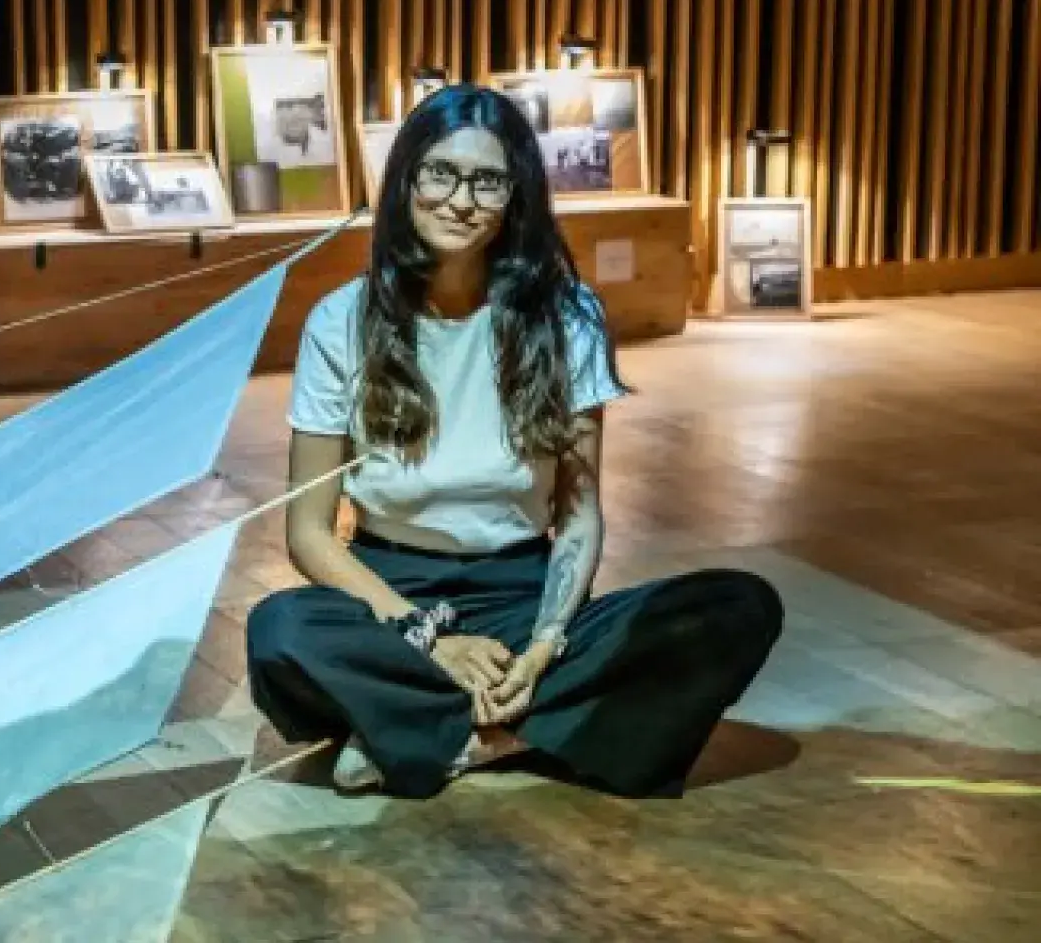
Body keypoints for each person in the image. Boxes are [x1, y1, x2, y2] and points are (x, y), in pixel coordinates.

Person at [245, 85, 784, 800]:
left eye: (487, 180)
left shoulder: (568, 319)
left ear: (515, 196)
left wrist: (544, 645)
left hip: (518, 595)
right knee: (281, 632)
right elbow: (309, 533)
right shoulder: (341, 320)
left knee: (736, 607)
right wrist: (431, 640)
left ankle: (467, 737)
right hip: (391, 598)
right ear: (406, 179)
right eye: (439, 172)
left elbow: (580, 516)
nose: (460, 198)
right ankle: (523, 725)